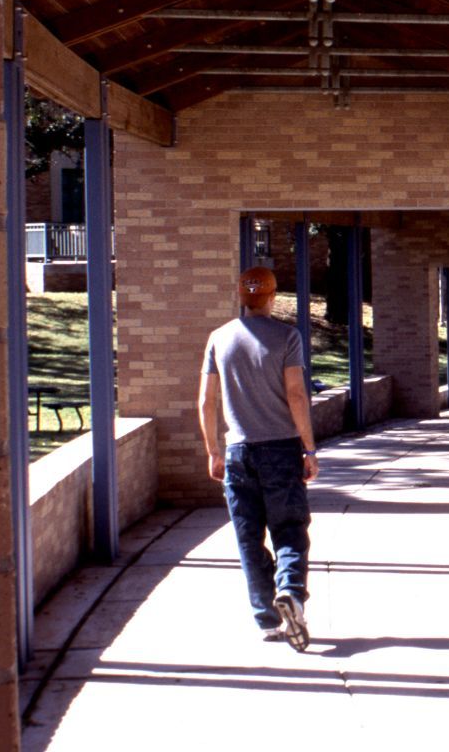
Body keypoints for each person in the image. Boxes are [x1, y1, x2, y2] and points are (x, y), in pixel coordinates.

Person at [198, 266, 318, 650]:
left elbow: (205, 401)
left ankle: (267, 620)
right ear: (271, 296)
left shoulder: (218, 338)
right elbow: (297, 394)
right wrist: (309, 448)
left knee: (249, 538)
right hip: (281, 449)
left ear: (241, 296)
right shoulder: (288, 337)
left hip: (237, 453)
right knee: (289, 530)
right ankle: (291, 593)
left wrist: (213, 450)